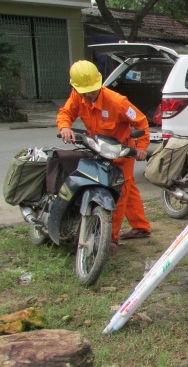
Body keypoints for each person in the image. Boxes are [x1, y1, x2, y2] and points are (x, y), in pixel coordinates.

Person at [56, 60, 151, 252]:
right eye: (85, 92)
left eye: (92, 90)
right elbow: (65, 113)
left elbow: (141, 122)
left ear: (99, 84)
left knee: (118, 193)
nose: (89, 95)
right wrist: (65, 126)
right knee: (128, 186)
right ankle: (141, 226)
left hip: (121, 153)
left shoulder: (118, 102)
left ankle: (111, 238)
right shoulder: (77, 96)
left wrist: (141, 147)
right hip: (99, 149)